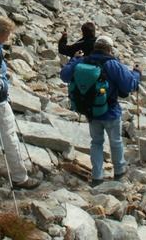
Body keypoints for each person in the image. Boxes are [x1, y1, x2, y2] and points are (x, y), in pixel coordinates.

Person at [60, 35, 140, 187]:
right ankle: (119, 172)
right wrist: (137, 73)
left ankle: (97, 176)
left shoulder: (83, 61)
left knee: (96, 142)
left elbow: (64, 75)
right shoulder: (112, 64)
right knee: (116, 141)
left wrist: (74, 59)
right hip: (110, 111)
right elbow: (130, 85)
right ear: (109, 49)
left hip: (91, 111)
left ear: (95, 47)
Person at [0, 16, 40, 190]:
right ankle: (20, 178)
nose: (9, 36)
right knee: (10, 139)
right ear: (0, 34)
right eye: (8, 33)